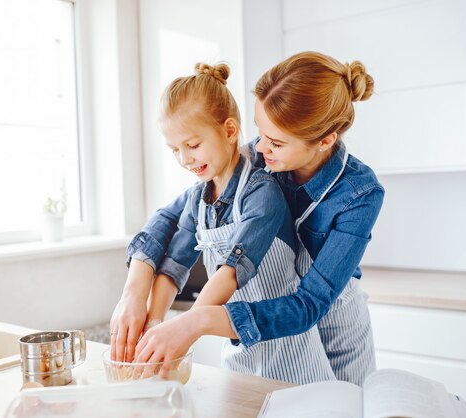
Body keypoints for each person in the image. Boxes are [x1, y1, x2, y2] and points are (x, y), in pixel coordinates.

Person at [112, 51, 384, 386]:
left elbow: (308, 305)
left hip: (332, 322)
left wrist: (194, 323)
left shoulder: (360, 194)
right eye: (260, 131)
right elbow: (173, 214)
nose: (259, 147)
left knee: (345, 406)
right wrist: (135, 293)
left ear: (325, 140)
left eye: (276, 142)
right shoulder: (260, 157)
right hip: (269, 323)